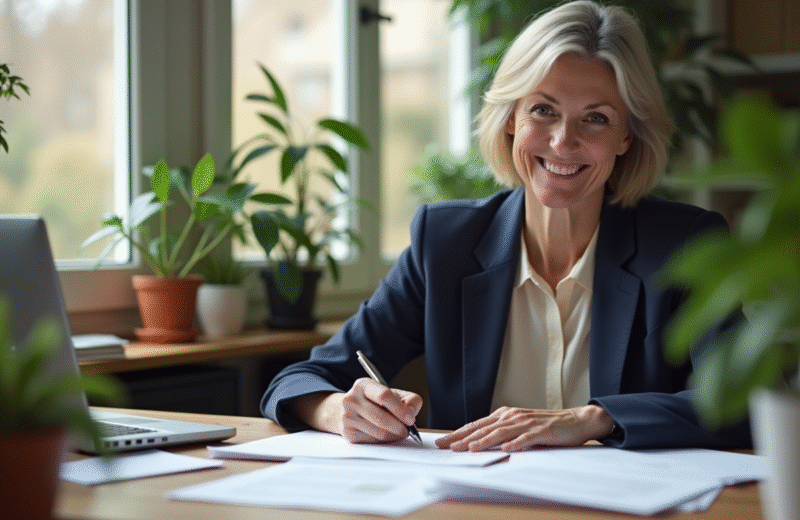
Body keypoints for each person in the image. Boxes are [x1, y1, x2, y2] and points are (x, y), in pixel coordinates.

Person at [261, 0, 751, 451]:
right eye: (543, 110)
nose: (563, 141)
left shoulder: (683, 244)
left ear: (627, 135)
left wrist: (595, 418)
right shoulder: (446, 243)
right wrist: (337, 409)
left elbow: (747, 402)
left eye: (596, 119)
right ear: (512, 117)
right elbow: (302, 378)